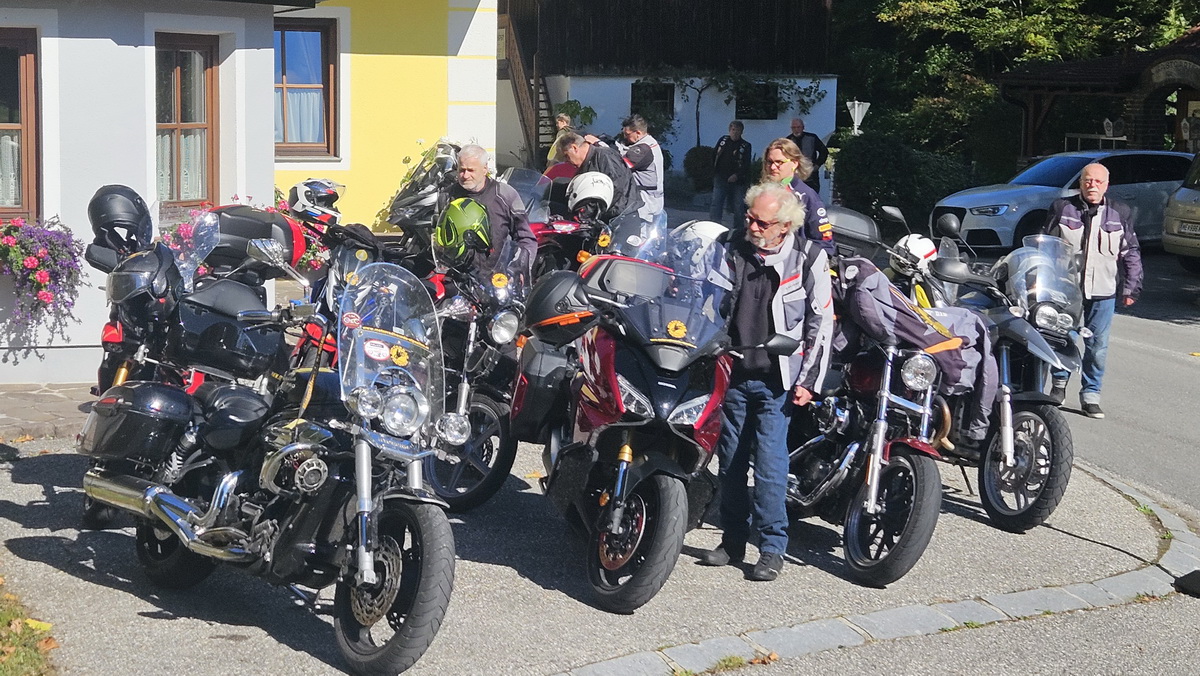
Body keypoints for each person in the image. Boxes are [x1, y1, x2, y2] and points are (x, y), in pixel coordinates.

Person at [698, 182, 834, 581]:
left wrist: (809, 379)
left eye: (762, 222)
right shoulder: (730, 246)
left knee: (771, 469)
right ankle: (733, 541)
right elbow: (704, 298)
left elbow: (821, 321)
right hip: (733, 371)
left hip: (778, 380)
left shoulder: (809, 257)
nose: (752, 226)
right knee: (730, 463)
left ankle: (773, 548)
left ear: (785, 226)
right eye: (749, 218)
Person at [1042, 162, 1143, 419]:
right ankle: (1058, 386)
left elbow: (1130, 251)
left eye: (1098, 182)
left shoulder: (1119, 212)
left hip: (1103, 290)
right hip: (1065, 290)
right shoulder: (1062, 208)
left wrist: (1131, 287)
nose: (1092, 186)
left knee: (1097, 346)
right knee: (1061, 338)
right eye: (1088, 181)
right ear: (1080, 183)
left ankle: (1091, 395)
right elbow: (1044, 246)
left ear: (1106, 185)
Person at [449, 144, 538, 265]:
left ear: (485, 169)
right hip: (457, 272)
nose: (465, 176)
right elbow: (437, 240)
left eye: (471, 170)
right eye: (461, 170)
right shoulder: (447, 196)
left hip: (498, 272)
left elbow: (526, 238)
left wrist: (519, 267)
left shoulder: (505, 195)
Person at [761, 138, 835, 255]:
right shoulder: (763, 192)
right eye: (769, 162)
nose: (773, 167)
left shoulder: (807, 196)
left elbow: (825, 244)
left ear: (795, 163)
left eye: (779, 162)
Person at [585, 114, 664, 222]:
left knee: (637, 233)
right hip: (644, 202)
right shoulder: (647, 143)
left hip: (646, 205)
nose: (625, 137)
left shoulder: (645, 149)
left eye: (627, 134)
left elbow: (620, 162)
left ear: (638, 133)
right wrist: (610, 141)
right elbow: (623, 151)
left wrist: (597, 143)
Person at [557, 131, 643, 221]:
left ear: (574, 148)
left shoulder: (605, 155)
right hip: (606, 218)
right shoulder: (585, 165)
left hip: (623, 216)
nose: (566, 161)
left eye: (566, 156)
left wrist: (588, 213)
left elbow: (615, 186)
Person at [709, 121, 752, 227]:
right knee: (716, 203)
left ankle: (738, 229)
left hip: (737, 181)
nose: (735, 133)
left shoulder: (745, 145)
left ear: (742, 132)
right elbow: (714, 155)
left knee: (738, 206)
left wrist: (737, 175)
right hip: (720, 177)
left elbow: (746, 164)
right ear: (729, 130)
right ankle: (714, 226)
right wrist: (714, 171)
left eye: (738, 130)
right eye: (733, 130)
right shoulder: (723, 141)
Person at [786, 118, 828, 194]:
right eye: (794, 127)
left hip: (811, 176)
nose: (796, 130)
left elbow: (824, 151)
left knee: (812, 195)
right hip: (794, 175)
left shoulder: (812, 138)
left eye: (798, 127)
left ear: (803, 127)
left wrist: (817, 165)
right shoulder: (788, 141)